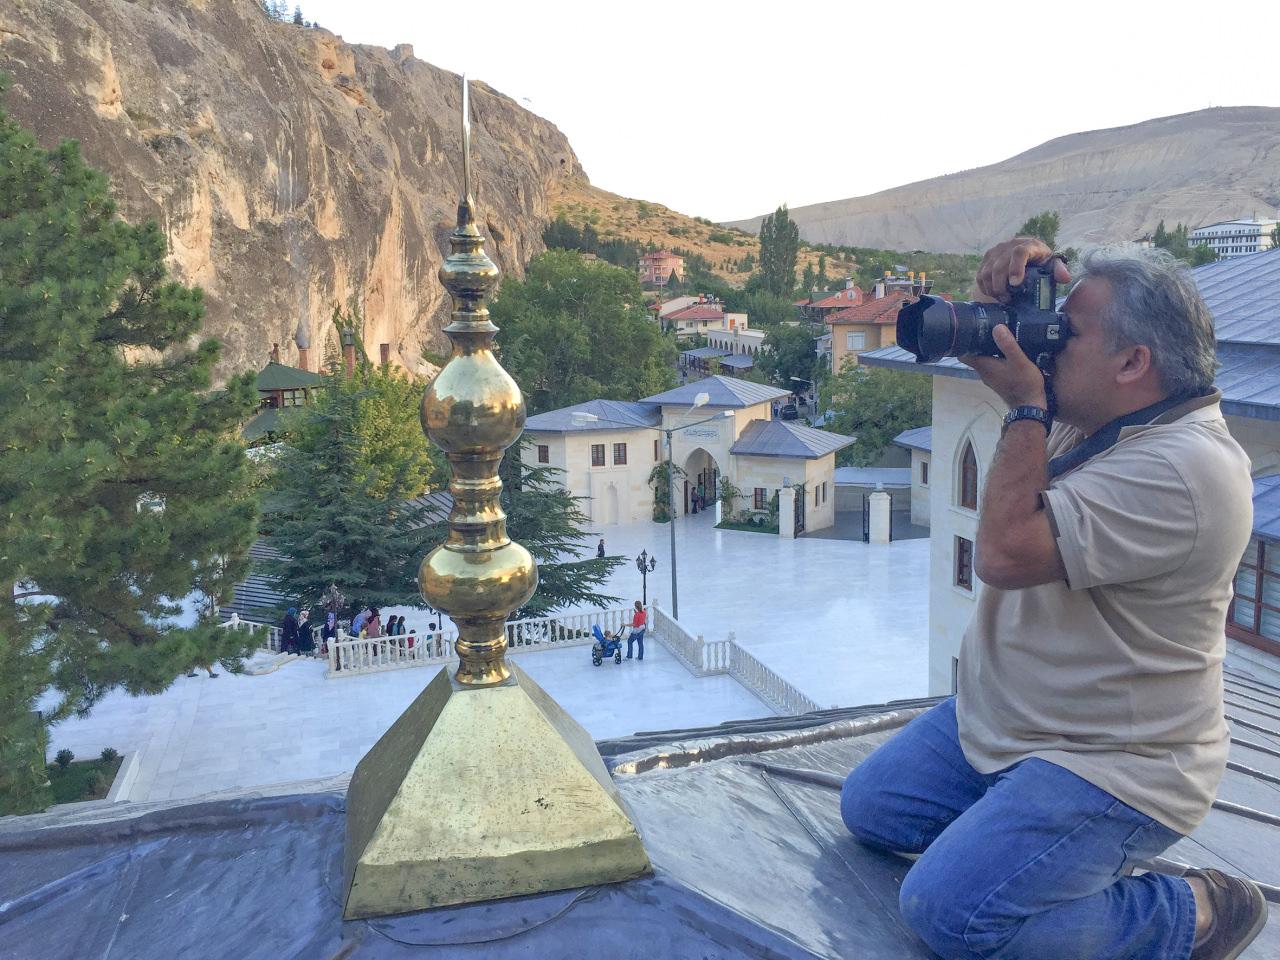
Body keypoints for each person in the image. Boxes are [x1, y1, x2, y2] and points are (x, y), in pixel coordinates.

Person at [840, 240, 1262, 960]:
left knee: (950, 914)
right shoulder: (1102, 412)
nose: (1048, 344)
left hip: (1114, 761)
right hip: (1007, 721)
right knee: (870, 809)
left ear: (1134, 364)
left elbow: (1003, 555)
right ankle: (1025, 842)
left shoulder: (1190, 470)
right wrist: (1002, 309)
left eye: (1066, 332)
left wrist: (1025, 405)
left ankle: (1193, 909)